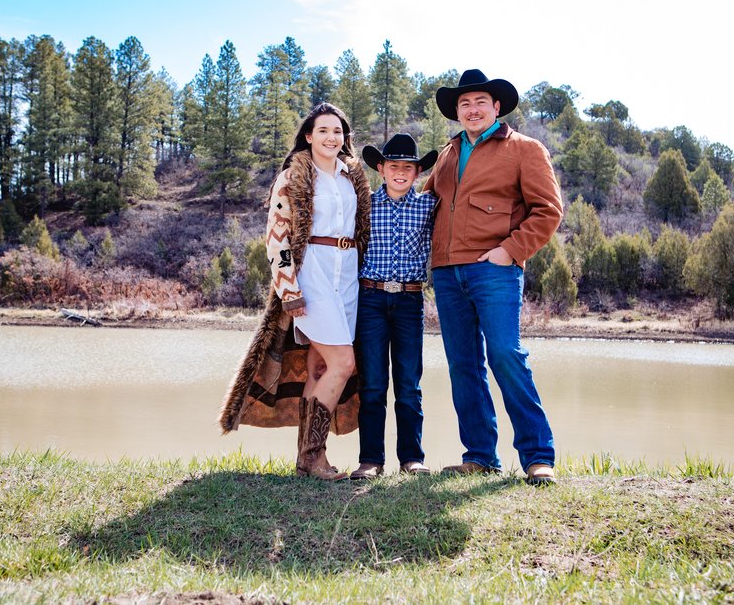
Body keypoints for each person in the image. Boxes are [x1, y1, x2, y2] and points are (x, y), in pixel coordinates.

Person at [422, 69, 564, 486]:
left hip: (494, 271)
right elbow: (426, 208)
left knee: (505, 354)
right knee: (463, 364)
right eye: (464, 104)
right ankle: (481, 455)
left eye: (479, 101)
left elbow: (548, 211)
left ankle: (538, 456)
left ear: (496, 107)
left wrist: (510, 251)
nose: (472, 109)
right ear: (457, 112)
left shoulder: (525, 149)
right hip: (447, 274)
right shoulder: (447, 155)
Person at [219, 102, 371, 481]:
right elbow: (277, 237)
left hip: (347, 275)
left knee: (319, 365)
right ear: (308, 136)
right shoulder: (292, 177)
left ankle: (306, 460)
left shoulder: (351, 175)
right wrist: (288, 288)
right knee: (343, 364)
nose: (332, 138)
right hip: (313, 273)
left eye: (338, 132)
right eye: (323, 131)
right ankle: (313, 456)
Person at [350, 134, 438, 480]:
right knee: (372, 383)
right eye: (393, 166)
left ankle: (412, 458)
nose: (400, 173)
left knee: (408, 383)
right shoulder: (364, 205)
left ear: (417, 172)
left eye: (408, 167)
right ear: (380, 169)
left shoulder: (429, 206)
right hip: (370, 299)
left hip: (409, 300)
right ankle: (371, 460)